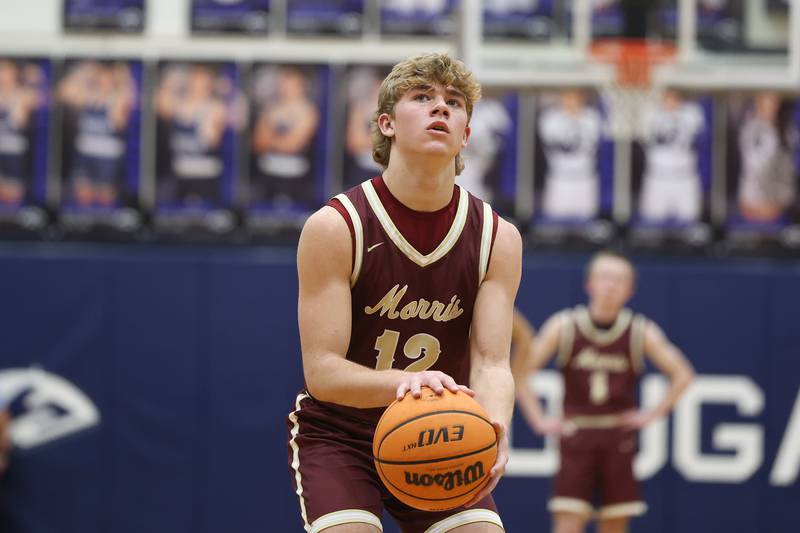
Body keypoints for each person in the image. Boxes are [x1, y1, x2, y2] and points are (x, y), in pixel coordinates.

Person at [287, 52, 522, 533]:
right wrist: (404, 384)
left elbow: (492, 362)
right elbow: (322, 372)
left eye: (454, 103)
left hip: (441, 430)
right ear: (387, 123)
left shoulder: (498, 237)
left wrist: (495, 425)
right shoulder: (336, 226)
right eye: (423, 98)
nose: (441, 108)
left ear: (466, 135)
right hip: (341, 432)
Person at [513, 250, 694, 533]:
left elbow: (683, 374)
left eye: (619, 280)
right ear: (589, 284)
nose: (610, 285)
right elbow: (521, 374)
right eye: (604, 277)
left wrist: (652, 414)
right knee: (568, 521)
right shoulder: (565, 325)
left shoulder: (640, 330)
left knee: (614, 523)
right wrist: (538, 419)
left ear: (630, 290)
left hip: (617, 436)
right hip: (576, 434)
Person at [58, 60, 135, 207]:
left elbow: (128, 102)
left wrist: (123, 75)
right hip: (85, 155)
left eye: (107, 78)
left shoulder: (117, 99)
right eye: (100, 77)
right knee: (82, 199)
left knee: (105, 200)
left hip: (107, 159)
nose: (103, 81)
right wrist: (84, 70)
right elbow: (63, 92)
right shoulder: (89, 96)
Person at [155, 63, 228, 205]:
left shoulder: (216, 107)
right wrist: (172, 84)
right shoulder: (179, 103)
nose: (198, 85)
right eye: (195, 79)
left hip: (204, 175)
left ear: (210, 83)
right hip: (179, 172)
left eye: (203, 80)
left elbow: (212, 140)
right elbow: (159, 101)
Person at [251, 65, 319, 206]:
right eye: (283, 84)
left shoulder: (308, 111)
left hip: (294, 177)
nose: (286, 88)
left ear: (302, 86)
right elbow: (258, 143)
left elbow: (293, 145)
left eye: (291, 84)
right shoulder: (271, 108)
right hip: (268, 173)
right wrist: (280, 140)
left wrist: (272, 138)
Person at [638, 89, 706, 224]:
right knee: (651, 227)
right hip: (657, 177)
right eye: (667, 97)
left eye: (674, 97)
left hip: (685, 178)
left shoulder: (692, 113)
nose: (670, 101)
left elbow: (697, 125)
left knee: (689, 226)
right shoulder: (650, 114)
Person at [538, 89, 602, 220]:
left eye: (575, 97)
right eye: (567, 96)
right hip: (559, 179)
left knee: (586, 226)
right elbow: (553, 141)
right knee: (554, 226)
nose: (571, 101)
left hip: (585, 179)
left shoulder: (593, 118)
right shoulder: (550, 118)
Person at [737, 91, 798, 223]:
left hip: (775, 198)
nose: (770, 105)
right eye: (765, 100)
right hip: (751, 195)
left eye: (774, 101)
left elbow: (786, 173)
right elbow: (751, 165)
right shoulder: (748, 124)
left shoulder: (787, 130)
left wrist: (777, 204)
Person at [0, 60, 42, 206]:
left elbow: (42, 99)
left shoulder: (24, 94)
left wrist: (33, 80)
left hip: (14, 153)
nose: (2, 75)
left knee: (12, 197)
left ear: (14, 73)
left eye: (5, 70)